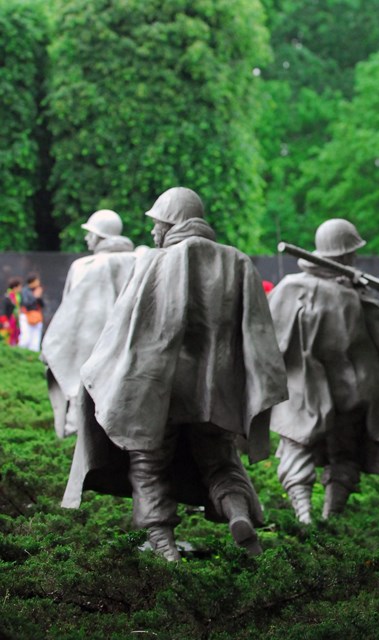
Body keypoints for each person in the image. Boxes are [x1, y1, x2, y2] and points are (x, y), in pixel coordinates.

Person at [62, 187, 288, 560]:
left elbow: (125, 329)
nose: (153, 232)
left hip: (160, 388)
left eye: (157, 223)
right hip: (217, 391)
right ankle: (238, 515)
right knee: (219, 461)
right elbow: (259, 336)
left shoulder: (155, 261)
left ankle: (163, 544)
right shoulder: (239, 262)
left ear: (172, 222)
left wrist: (95, 372)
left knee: (147, 463)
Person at [268, 218, 379, 524]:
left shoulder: (288, 288)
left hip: (301, 396)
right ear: (346, 256)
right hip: (351, 395)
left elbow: (265, 339)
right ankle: (330, 517)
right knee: (344, 454)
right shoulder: (352, 298)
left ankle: (304, 517)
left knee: (296, 448)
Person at [41, 210, 136, 438]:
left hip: (89, 343)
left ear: (101, 236)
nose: (86, 238)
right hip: (124, 347)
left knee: (81, 400)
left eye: (90, 233)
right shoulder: (137, 261)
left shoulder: (84, 265)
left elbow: (69, 314)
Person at [18, 274, 45, 352]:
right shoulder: (25, 290)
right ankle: (20, 353)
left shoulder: (37, 290)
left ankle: (32, 358)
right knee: (26, 338)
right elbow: (26, 304)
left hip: (36, 316)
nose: (38, 282)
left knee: (35, 341)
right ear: (32, 281)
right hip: (26, 316)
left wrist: (39, 297)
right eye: (37, 281)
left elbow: (42, 305)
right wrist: (35, 297)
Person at [0, 278, 22, 346]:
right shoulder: (7, 297)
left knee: (14, 339)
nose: (20, 289)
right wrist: (5, 321)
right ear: (15, 287)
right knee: (6, 339)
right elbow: (2, 310)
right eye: (19, 287)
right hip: (8, 322)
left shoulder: (17, 297)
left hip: (15, 322)